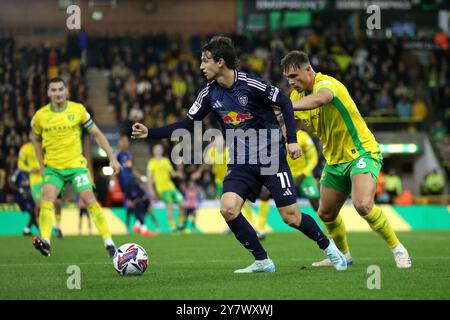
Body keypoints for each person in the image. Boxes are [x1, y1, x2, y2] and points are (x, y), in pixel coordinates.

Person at [132, 36, 347, 272]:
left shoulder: (252, 85)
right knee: (228, 208)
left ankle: (330, 249)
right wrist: (150, 132)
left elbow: (285, 102)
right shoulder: (209, 94)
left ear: (221, 62)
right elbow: (186, 124)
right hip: (241, 162)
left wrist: (293, 141)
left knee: (291, 217)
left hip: (271, 159)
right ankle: (263, 260)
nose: (202, 66)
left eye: (206, 61)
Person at [281, 50, 411, 268]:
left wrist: (285, 105)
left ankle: (399, 249)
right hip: (334, 159)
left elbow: (322, 99)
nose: (291, 82)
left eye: (294, 76)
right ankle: (343, 255)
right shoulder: (295, 97)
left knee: (362, 205)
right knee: (326, 213)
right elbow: (292, 123)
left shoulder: (327, 84)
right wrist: (288, 136)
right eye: (288, 78)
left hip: (362, 152)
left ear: (308, 70)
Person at [30, 76, 120, 257]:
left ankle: (109, 242)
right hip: (54, 168)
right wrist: (41, 165)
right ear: (48, 93)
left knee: (89, 199)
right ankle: (46, 241)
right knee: (46, 198)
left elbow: (96, 133)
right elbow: (35, 139)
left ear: (66, 91)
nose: (57, 93)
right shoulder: (40, 116)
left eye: (60, 89)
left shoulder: (78, 110)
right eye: (53, 90)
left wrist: (112, 157)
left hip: (76, 166)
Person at [258, 123, 320, 240]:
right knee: (265, 192)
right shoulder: (276, 135)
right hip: (283, 173)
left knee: (315, 203)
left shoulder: (303, 137)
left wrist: (304, 174)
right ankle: (261, 229)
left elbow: (313, 158)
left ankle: (328, 229)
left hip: (303, 175)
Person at [18, 133, 64, 239]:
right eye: (32, 135)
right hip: (35, 181)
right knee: (38, 206)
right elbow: (20, 164)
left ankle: (57, 227)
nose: (34, 136)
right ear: (29, 136)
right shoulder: (25, 148)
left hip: (49, 177)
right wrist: (30, 169)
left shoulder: (46, 145)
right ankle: (41, 228)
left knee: (57, 203)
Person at [115, 135, 157, 237]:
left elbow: (132, 169)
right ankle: (143, 228)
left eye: (126, 141)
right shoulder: (117, 154)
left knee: (146, 199)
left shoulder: (129, 155)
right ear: (119, 143)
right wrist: (113, 182)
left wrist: (141, 177)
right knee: (137, 201)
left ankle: (138, 224)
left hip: (133, 181)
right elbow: (114, 168)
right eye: (123, 141)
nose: (125, 143)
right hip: (126, 183)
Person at [146, 144, 185, 233]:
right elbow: (149, 178)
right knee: (170, 206)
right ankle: (172, 227)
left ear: (162, 151)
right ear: (153, 151)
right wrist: (151, 190)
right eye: (156, 149)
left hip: (171, 187)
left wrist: (179, 172)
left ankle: (180, 224)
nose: (158, 151)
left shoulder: (166, 161)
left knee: (182, 204)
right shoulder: (151, 162)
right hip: (162, 189)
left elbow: (172, 173)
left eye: (160, 149)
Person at [11, 170, 38, 236]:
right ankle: (39, 229)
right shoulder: (18, 171)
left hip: (30, 196)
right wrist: (19, 189)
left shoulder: (32, 171)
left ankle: (27, 230)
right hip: (21, 197)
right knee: (32, 212)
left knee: (35, 212)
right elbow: (11, 183)